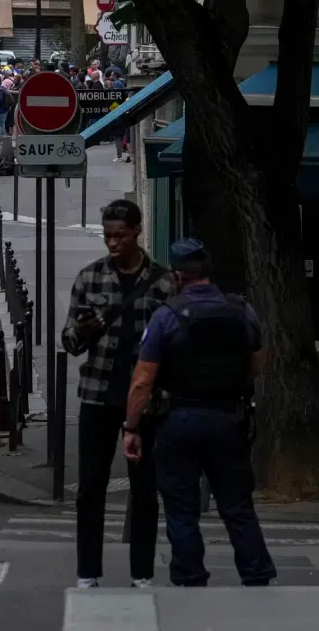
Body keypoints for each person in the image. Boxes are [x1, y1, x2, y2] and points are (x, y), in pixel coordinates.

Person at [123, 238, 276, 588]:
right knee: (237, 505)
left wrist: (131, 427)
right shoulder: (242, 310)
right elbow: (258, 364)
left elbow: (142, 381)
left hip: (180, 419)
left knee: (181, 507)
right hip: (229, 417)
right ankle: (256, 574)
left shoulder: (168, 316)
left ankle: (191, 578)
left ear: (178, 276)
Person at [61, 199, 175, 590]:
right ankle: (87, 573)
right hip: (97, 395)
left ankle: (141, 573)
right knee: (90, 489)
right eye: (108, 235)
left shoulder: (163, 282)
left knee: (145, 493)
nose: (112, 243)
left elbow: (175, 346)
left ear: (137, 232)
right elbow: (70, 343)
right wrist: (85, 330)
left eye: (120, 236)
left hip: (145, 402)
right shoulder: (89, 279)